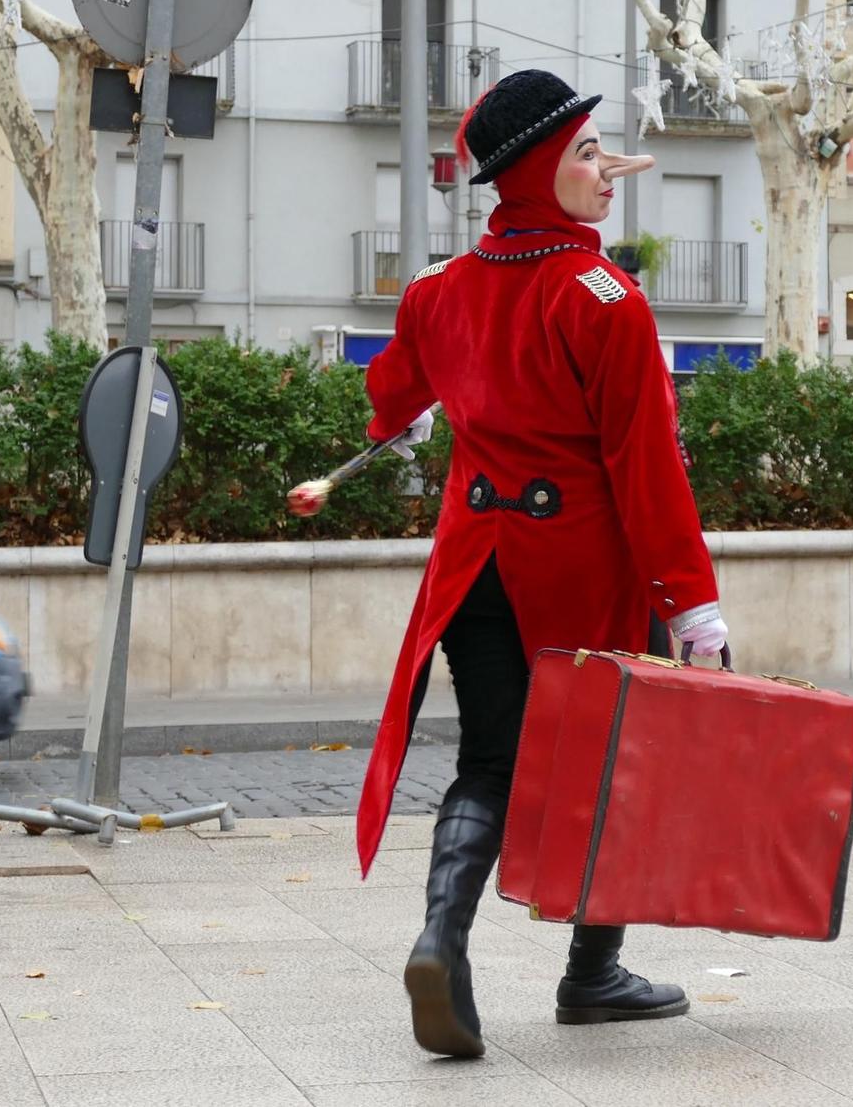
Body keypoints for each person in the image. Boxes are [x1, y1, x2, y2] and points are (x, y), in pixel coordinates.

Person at [354, 70, 731, 1058]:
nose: (604, 169)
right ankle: (591, 972)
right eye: (583, 154)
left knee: (488, 757)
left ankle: (441, 937)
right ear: (531, 172)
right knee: (610, 762)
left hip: (473, 566)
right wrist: (691, 606)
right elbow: (645, 471)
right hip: (580, 572)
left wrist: (436, 393)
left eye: (599, 149)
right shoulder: (602, 299)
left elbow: (389, 400)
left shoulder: (437, 293)